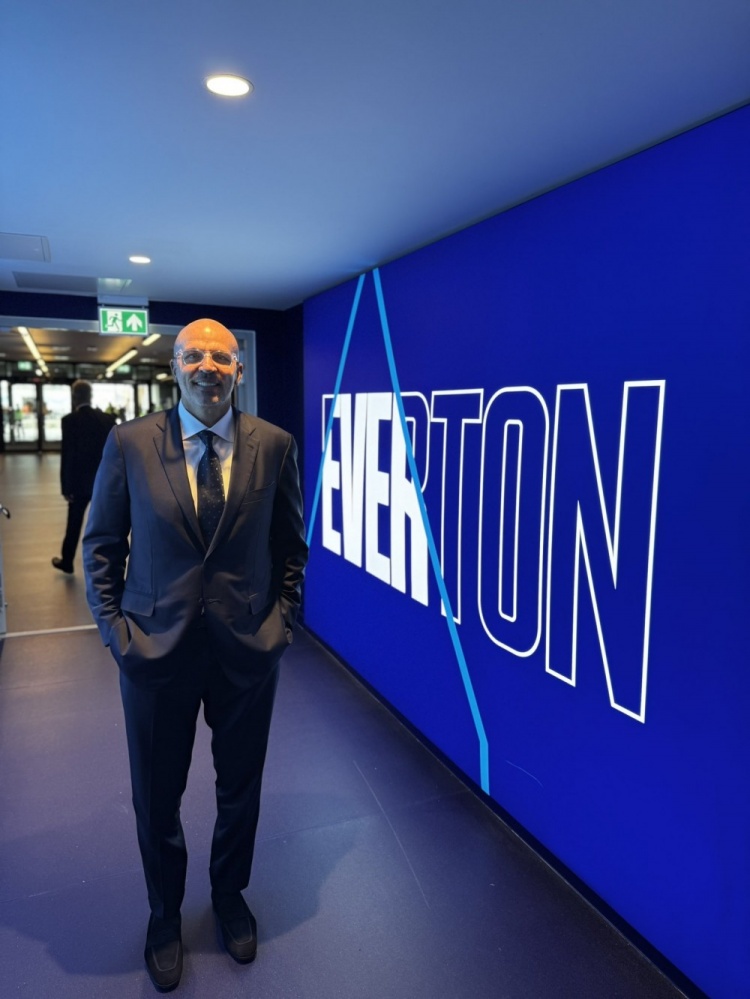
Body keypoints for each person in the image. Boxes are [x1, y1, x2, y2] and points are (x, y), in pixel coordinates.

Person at [83, 319, 308, 992]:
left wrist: (281, 624)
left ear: (238, 368)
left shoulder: (275, 445)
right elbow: (101, 547)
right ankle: (164, 915)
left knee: (240, 789)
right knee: (156, 797)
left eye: (221, 355)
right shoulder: (129, 444)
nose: (207, 365)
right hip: (154, 652)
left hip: (247, 650)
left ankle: (230, 895)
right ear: (174, 366)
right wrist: (117, 634)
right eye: (193, 354)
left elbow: (291, 548)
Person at [52, 380, 116, 574]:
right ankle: (107, 563)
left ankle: (67, 561)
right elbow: (114, 453)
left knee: (74, 523)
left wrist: (66, 487)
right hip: (103, 482)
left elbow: (68, 455)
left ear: (74, 397)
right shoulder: (106, 419)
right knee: (106, 524)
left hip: (79, 484)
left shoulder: (69, 421)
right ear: (90, 396)